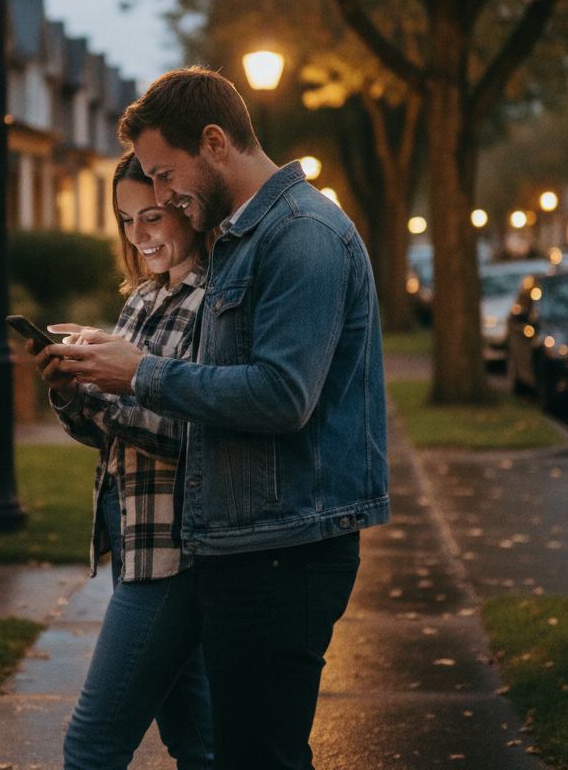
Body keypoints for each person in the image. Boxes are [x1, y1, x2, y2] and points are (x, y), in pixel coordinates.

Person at [43, 67, 390, 770]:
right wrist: (100, 375)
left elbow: (281, 396)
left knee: (259, 756)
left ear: (214, 142)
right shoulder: (244, 240)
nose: (163, 196)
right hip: (240, 542)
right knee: (226, 753)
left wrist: (135, 373)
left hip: (286, 548)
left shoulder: (301, 234)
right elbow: (217, 390)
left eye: (166, 175)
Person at [34, 150, 216, 770]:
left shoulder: (213, 303)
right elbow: (108, 436)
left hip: (173, 553)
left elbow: (197, 432)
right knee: (198, 742)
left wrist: (113, 384)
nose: (139, 235)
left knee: (91, 746)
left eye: (153, 216)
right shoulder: (141, 300)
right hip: (129, 533)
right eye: (125, 219)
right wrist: (68, 388)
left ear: (189, 211)